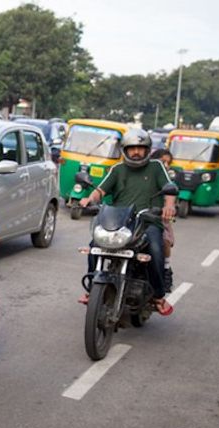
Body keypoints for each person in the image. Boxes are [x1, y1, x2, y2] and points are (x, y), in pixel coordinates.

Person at [77, 129, 177, 315]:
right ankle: (92, 289)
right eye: (132, 149)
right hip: (119, 222)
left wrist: (169, 207)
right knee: (94, 246)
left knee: (155, 248)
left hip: (148, 221)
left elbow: (169, 190)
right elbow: (100, 190)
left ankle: (158, 295)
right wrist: (89, 200)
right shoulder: (118, 169)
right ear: (125, 150)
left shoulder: (156, 167)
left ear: (147, 150)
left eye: (141, 148)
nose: (136, 152)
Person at [151, 148, 175, 292]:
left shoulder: (166, 180)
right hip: (133, 215)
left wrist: (169, 207)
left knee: (164, 241)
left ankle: (165, 270)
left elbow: (170, 196)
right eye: (162, 161)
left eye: (168, 163)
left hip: (157, 217)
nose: (165, 165)